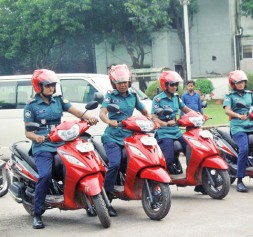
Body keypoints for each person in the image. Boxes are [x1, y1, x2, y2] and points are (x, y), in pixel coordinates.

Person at [24, 69, 98, 229]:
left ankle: (88, 202)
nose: (52, 88)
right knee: (45, 175)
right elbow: (27, 132)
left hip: (61, 143)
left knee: (79, 166)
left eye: (53, 85)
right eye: (48, 85)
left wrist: (88, 118)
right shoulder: (31, 106)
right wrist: (36, 137)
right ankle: (37, 214)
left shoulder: (58, 100)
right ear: (39, 87)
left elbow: (76, 111)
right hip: (43, 146)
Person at [99, 64, 150, 217]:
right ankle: (106, 198)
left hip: (129, 136)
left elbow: (144, 110)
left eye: (125, 82)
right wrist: (109, 121)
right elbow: (102, 113)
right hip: (112, 136)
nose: (122, 85)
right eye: (119, 82)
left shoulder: (133, 95)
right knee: (114, 163)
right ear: (114, 83)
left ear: (129, 81)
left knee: (139, 160)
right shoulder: (110, 96)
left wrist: (151, 119)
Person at [151, 71, 206, 193]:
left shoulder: (176, 97)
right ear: (164, 85)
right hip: (164, 132)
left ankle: (199, 182)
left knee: (194, 149)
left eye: (176, 84)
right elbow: (153, 117)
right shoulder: (158, 99)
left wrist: (198, 115)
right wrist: (165, 123)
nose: (175, 87)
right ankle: (158, 185)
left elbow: (186, 109)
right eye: (172, 84)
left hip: (176, 131)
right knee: (168, 158)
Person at [223, 70, 253, 192]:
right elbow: (227, 110)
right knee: (244, 149)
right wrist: (239, 116)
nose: (241, 85)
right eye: (238, 83)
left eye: (243, 82)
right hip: (238, 126)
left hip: (251, 125)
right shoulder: (229, 96)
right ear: (233, 84)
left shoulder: (249, 94)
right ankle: (240, 179)